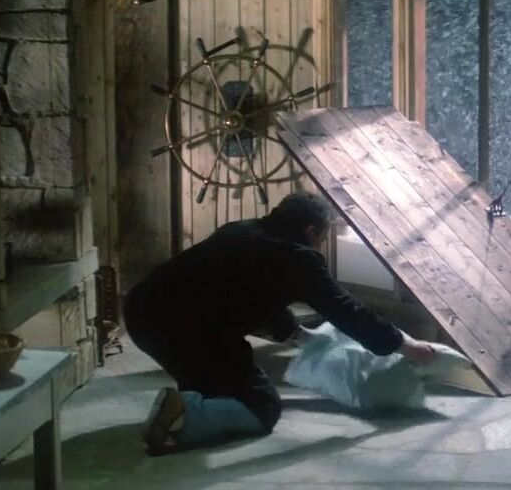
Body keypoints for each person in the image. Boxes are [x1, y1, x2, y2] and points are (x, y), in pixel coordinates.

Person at [123, 193, 438, 454]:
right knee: (261, 407)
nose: (320, 244)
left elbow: (253, 294)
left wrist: (297, 334)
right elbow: (346, 310)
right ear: (311, 231)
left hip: (142, 313)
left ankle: (184, 407)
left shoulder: (240, 229)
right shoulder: (299, 256)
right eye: (322, 238)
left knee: (217, 386)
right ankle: (187, 412)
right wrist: (402, 344)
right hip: (189, 331)